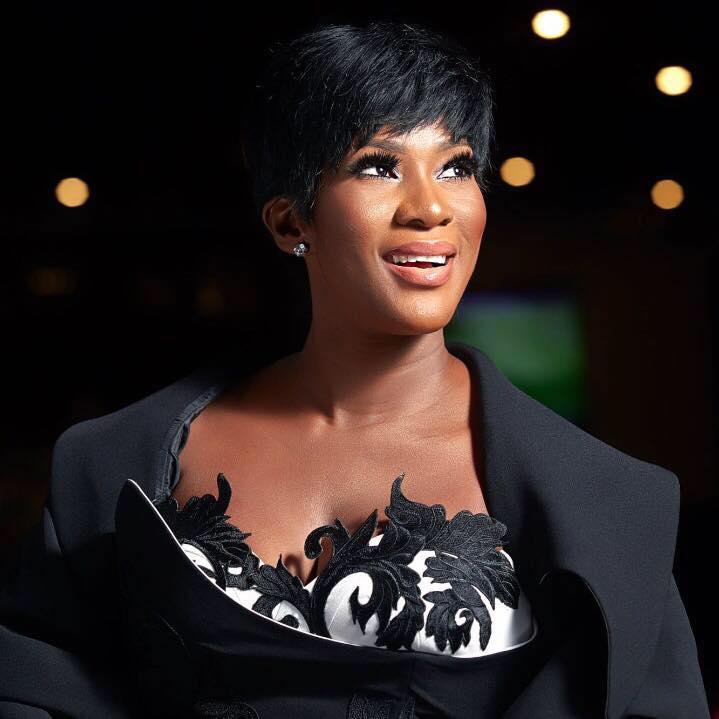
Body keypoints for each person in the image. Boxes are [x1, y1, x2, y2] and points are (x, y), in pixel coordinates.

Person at [0, 20, 710, 719]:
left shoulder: (611, 501)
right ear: (290, 222)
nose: (430, 207)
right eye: (378, 165)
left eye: (456, 166)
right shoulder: (109, 463)